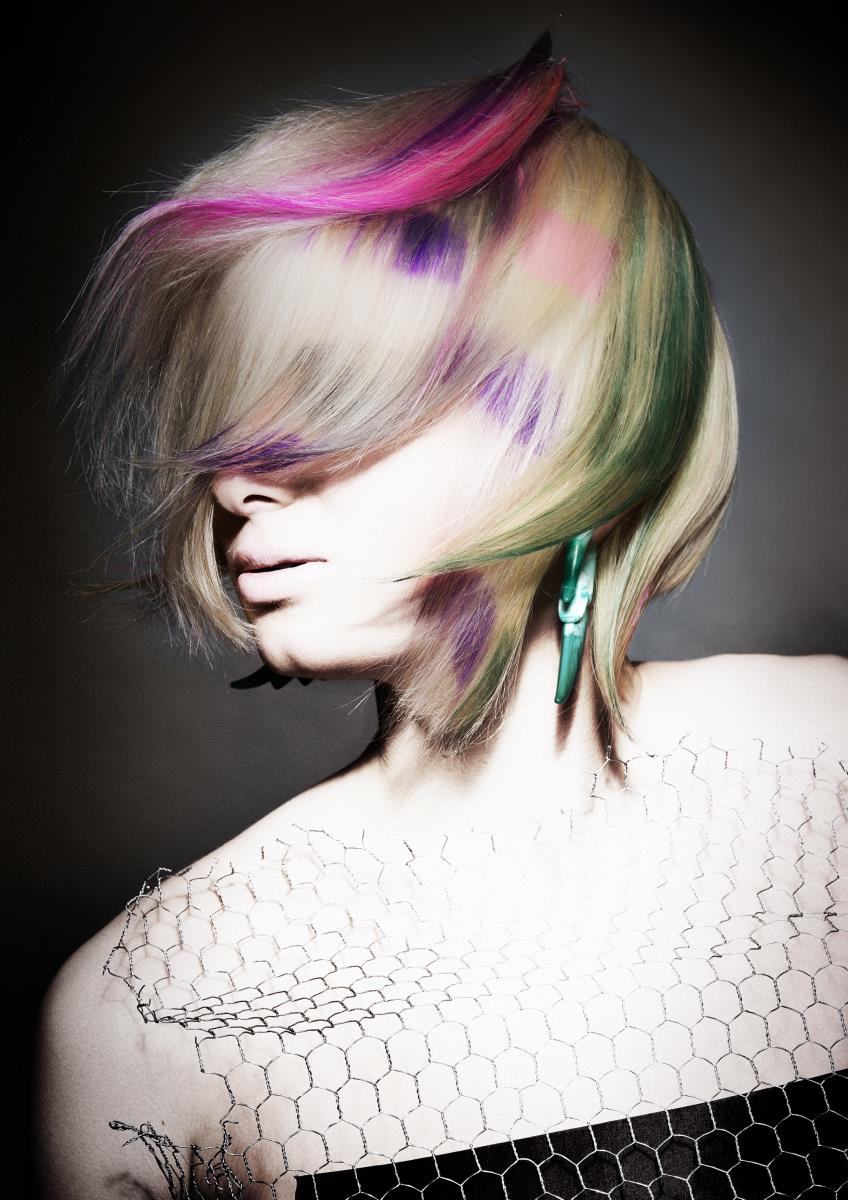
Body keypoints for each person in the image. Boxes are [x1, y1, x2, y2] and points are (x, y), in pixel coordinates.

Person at [34, 33, 847, 1200]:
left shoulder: (822, 771)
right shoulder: (155, 1011)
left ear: (555, 420)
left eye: (332, 399)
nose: (237, 483)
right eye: (232, 418)